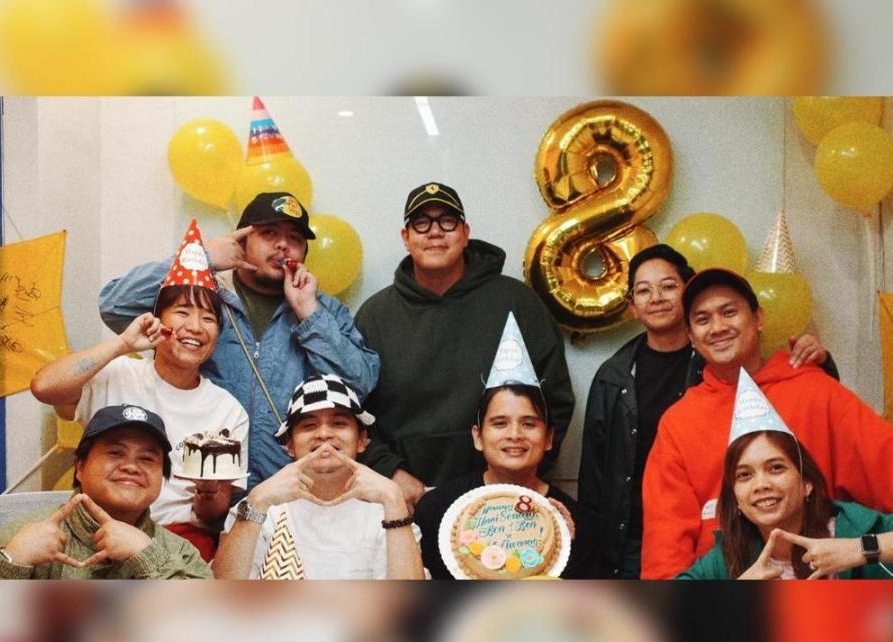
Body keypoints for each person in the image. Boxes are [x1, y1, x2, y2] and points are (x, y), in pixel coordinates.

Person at [579, 245, 835, 579]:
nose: (656, 297)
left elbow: (803, 410)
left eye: (668, 286)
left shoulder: (734, 364)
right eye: (643, 290)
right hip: (640, 537)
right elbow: (596, 474)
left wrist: (823, 364)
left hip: (764, 543)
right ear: (632, 307)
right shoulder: (616, 378)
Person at [99, 193, 379, 491]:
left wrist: (309, 314)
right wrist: (202, 257)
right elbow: (114, 306)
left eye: (295, 238)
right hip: (202, 488)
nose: (283, 245)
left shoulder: (322, 310)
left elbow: (359, 385)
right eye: (269, 233)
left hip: (290, 491)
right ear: (241, 241)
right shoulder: (201, 296)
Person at [641, 267, 893, 579]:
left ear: (758, 318)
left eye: (729, 312)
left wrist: (862, 549)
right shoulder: (678, 422)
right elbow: (665, 545)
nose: (717, 327)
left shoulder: (817, 392)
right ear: (691, 336)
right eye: (703, 319)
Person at [31, 221, 249, 562]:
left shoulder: (228, 410)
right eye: (182, 312)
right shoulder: (116, 373)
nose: (195, 327)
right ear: (157, 320)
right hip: (97, 529)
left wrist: (210, 492)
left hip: (179, 542)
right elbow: (44, 387)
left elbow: (212, 515)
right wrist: (121, 344)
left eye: (208, 318)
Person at [355, 182, 574, 509]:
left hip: (502, 498)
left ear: (465, 232)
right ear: (406, 237)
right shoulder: (375, 315)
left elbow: (554, 401)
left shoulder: (518, 303)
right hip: (403, 498)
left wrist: (519, 475)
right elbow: (352, 413)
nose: (435, 232)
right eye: (421, 223)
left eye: (447, 221)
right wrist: (389, 471)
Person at [415, 314, 595, 578]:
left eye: (529, 424)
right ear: (478, 437)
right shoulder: (436, 510)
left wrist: (567, 547)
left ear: (549, 438)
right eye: (500, 423)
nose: (515, 435)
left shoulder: (576, 520)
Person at [678, 370, 893, 580]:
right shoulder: (727, 556)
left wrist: (858, 550)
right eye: (745, 475)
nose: (761, 484)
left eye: (776, 468)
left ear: (807, 483)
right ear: (735, 498)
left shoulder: (853, 528)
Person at [212, 374, 424, 580]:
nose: (323, 434)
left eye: (338, 423)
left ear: (361, 440)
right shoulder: (259, 507)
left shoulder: (388, 509)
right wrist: (257, 500)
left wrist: (394, 499)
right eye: (309, 425)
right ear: (289, 445)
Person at [0, 404, 212, 579]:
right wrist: (12, 563)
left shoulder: (182, 553)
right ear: (80, 467)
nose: (131, 467)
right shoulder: (18, 537)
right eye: (115, 453)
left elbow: (206, 621)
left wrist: (148, 558)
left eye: (147, 458)